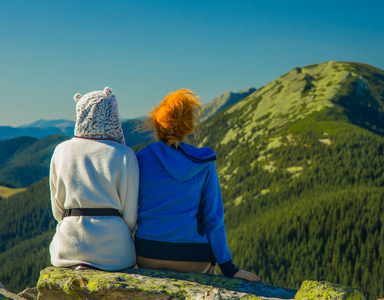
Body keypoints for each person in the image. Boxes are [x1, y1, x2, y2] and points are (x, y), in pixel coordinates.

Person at [134, 89, 261, 282]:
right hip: (192, 257)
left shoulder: (139, 159)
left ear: (157, 123)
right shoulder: (203, 162)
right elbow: (213, 219)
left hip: (147, 254)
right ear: (189, 126)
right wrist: (229, 267)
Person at [49, 87, 139, 271]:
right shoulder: (125, 154)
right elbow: (130, 219)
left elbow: (58, 213)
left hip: (68, 249)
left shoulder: (61, 151)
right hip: (115, 254)